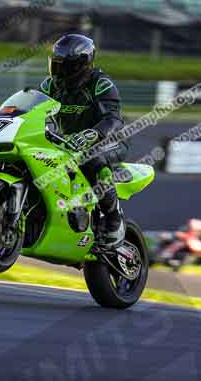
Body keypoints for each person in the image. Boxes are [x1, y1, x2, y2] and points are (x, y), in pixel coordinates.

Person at [38, 33, 128, 249]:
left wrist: (93, 135)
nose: (58, 72)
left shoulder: (100, 84)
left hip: (109, 141)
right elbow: (33, 112)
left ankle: (114, 218)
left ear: (80, 65)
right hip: (67, 143)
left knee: (92, 159)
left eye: (64, 66)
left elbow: (113, 119)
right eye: (56, 65)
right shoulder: (49, 86)